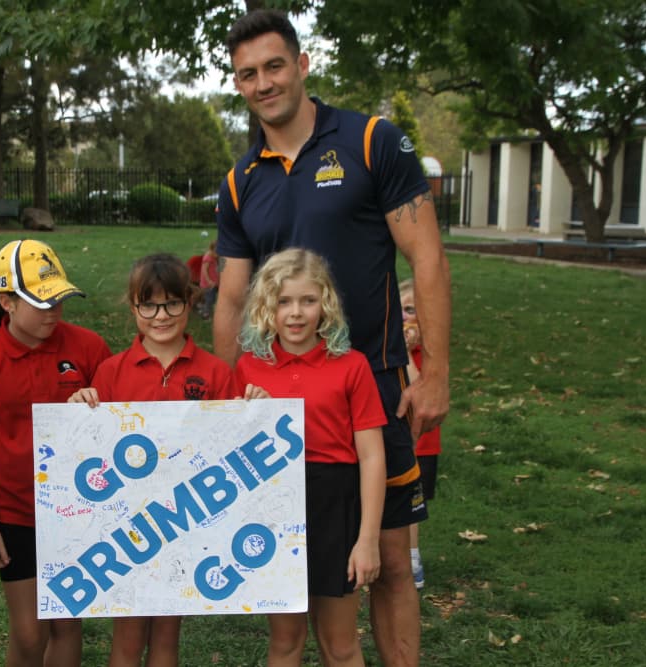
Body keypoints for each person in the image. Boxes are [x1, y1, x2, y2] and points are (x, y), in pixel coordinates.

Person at [214, 10, 451, 666]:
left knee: (392, 561)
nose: (263, 82)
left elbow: (427, 258)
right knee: (293, 561)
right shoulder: (241, 180)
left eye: (273, 65)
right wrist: (225, 398)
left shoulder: (372, 141)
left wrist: (434, 374)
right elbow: (232, 296)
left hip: (371, 382)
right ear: (238, 84)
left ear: (302, 64)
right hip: (277, 401)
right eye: (247, 74)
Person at [68, 253, 237, 667]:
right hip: (127, 526)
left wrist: (256, 408)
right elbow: (88, 445)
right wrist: (79, 403)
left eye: (172, 303)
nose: (161, 315)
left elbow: (234, 440)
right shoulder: (110, 372)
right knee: (126, 636)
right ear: (133, 307)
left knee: (166, 634)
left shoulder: (215, 372)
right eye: (149, 305)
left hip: (184, 521)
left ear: (190, 302)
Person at [0, 239, 112, 667]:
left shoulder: (89, 348)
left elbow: (118, 430)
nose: (54, 312)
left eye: (58, 300)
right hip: (16, 513)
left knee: (66, 624)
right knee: (29, 632)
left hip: (79, 511)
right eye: (41, 303)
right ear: (5, 301)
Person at [235, 248, 386, 667]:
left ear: (326, 305)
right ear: (267, 307)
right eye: (284, 302)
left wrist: (367, 539)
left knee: (339, 643)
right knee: (286, 640)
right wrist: (257, 414)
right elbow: (233, 453)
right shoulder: (249, 368)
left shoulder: (352, 366)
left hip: (334, 506)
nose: (296, 313)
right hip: (275, 509)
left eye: (308, 300)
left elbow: (372, 457)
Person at [399, 279, 440, 590]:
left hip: (421, 447)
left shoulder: (428, 360)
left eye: (412, 311)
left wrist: (406, 353)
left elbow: (416, 388)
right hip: (395, 443)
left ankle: (412, 559)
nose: (405, 319)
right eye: (400, 310)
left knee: (412, 506)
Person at [198, 240, 219, 319]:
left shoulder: (215, 257)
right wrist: (209, 281)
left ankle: (202, 308)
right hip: (208, 284)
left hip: (215, 283)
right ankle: (205, 315)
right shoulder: (208, 257)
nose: (218, 255)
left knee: (211, 299)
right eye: (217, 253)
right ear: (212, 249)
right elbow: (204, 271)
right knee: (210, 300)